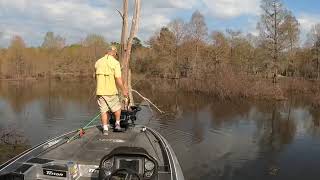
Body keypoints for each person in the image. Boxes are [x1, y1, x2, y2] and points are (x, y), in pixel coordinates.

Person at [94, 45, 128, 135]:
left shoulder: (98, 62)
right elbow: (118, 79)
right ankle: (117, 125)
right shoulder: (115, 63)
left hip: (100, 92)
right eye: (116, 54)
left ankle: (105, 129)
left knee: (103, 110)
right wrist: (124, 90)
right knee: (117, 108)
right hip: (111, 92)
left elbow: (94, 77)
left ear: (107, 52)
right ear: (114, 53)